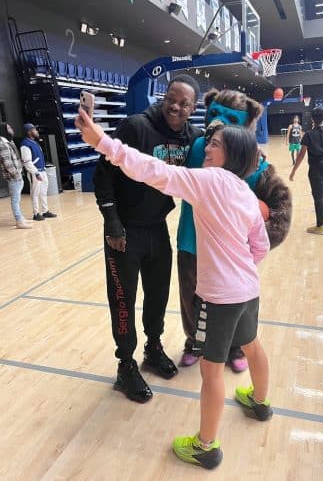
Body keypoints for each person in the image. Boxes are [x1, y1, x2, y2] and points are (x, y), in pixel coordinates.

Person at [76, 110, 272, 470]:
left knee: (212, 371)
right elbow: (260, 246)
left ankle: (205, 446)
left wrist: (103, 143)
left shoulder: (209, 180)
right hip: (248, 289)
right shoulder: (245, 192)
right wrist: (240, 269)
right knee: (252, 344)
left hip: (220, 297)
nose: (207, 148)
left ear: (233, 155)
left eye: (215, 145)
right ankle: (260, 401)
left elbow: (154, 170)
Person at [93, 75, 202, 403]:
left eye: (184, 104)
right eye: (172, 98)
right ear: (163, 96)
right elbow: (103, 175)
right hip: (123, 231)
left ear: (192, 109)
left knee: (158, 294)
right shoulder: (136, 127)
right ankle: (125, 365)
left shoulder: (192, 137)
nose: (176, 107)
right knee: (124, 300)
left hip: (157, 227)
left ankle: (153, 348)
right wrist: (112, 223)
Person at [177, 88, 264, 372]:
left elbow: (270, 201)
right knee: (191, 295)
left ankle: (233, 345)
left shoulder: (250, 157)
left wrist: (250, 256)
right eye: (215, 113)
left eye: (230, 118)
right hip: (192, 238)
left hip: (229, 247)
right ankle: (194, 341)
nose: (220, 121)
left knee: (233, 299)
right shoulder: (200, 145)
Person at [289, 107, 323, 235]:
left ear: (312, 118)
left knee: (318, 196)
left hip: (316, 168)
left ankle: (320, 226)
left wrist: (293, 172)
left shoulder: (308, 135)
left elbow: (301, 156)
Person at [20, 124, 57, 221]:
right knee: (35, 193)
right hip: (35, 172)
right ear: (29, 132)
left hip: (42, 170)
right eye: (34, 129)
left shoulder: (34, 143)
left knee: (43, 192)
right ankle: (36, 213)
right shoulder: (25, 145)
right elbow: (27, 162)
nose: (36, 131)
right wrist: (36, 173)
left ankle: (45, 211)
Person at [0, 122, 32, 229]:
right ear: (3, 130)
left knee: (17, 199)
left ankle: (21, 218)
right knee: (15, 199)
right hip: (14, 177)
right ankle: (19, 221)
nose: (11, 129)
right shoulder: (2, 144)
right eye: (8, 128)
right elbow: (7, 163)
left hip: (18, 174)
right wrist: (16, 175)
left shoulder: (10, 142)